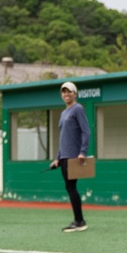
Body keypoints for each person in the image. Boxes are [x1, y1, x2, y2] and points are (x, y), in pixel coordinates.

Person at [49, 81, 90, 232]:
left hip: (74, 156)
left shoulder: (78, 109)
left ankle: (79, 221)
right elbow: (63, 137)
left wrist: (83, 152)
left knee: (71, 187)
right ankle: (78, 220)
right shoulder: (63, 113)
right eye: (64, 92)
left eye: (69, 92)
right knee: (70, 187)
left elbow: (86, 131)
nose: (66, 94)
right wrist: (57, 158)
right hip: (64, 156)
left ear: (75, 94)